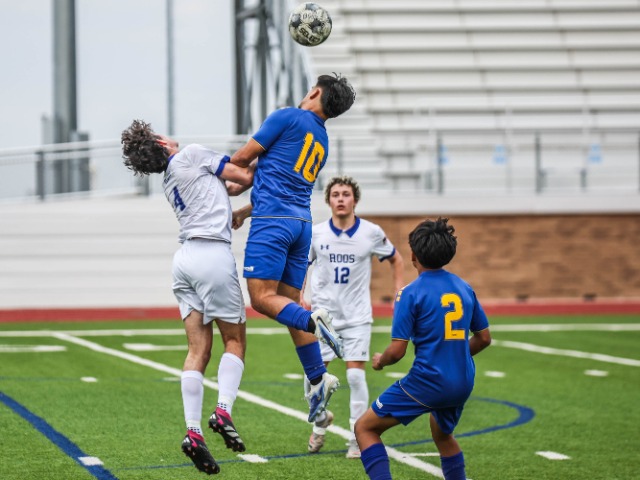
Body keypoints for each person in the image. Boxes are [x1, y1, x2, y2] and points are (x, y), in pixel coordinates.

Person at [121, 119, 254, 475]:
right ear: (160, 143)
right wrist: (271, 157)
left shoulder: (170, 177)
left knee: (198, 350)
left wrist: (246, 185)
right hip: (212, 254)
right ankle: (223, 410)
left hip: (184, 261)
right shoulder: (192, 154)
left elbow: (228, 187)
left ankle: (193, 432)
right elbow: (244, 174)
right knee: (235, 341)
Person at [230, 73, 356, 424]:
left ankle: (316, 321)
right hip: (301, 224)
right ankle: (318, 380)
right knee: (288, 304)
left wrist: (212, 174)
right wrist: (245, 209)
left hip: (273, 223)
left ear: (315, 92)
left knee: (261, 299)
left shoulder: (287, 116)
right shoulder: (322, 138)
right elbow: (281, 178)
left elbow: (241, 158)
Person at [354, 217, 492, 480]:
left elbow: (397, 351)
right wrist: (454, 354)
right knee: (443, 435)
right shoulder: (464, 288)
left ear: (413, 255)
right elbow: (484, 338)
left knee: (365, 428)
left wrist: (381, 361)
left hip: (428, 382)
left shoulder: (410, 294)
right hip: (462, 381)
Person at [300, 175, 405, 458]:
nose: (341, 199)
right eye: (335, 194)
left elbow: (396, 258)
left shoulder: (371, 232)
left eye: (346, 194)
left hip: (357, 317)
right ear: (329, 200)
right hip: (324, 318)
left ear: (354, 200)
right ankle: (320, 421)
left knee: (356, 376)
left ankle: (357, 438)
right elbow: (302, 264)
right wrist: (300, 294)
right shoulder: (317, 233)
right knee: (312, 378)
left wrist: (399, 290)